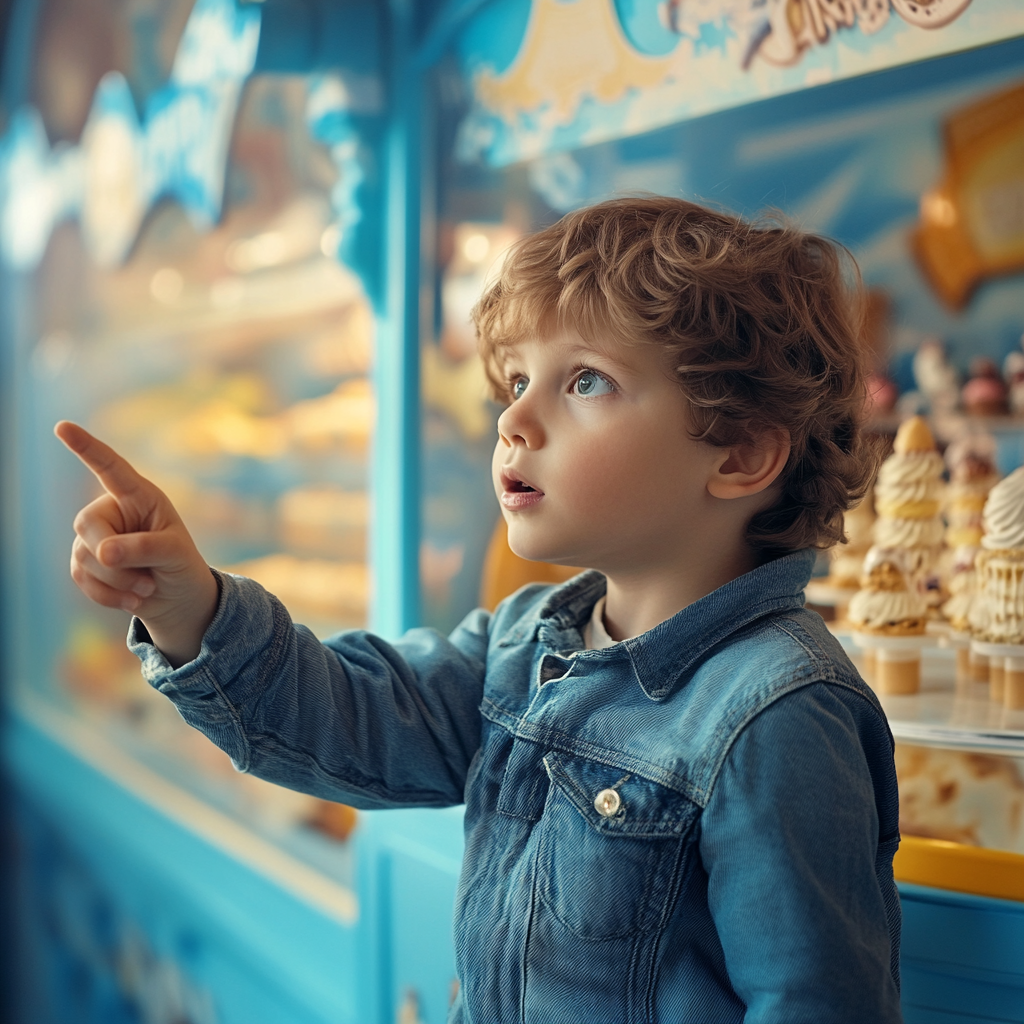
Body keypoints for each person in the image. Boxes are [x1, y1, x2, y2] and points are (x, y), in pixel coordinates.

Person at [57, 197, 902, 1024]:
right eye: (518, 379)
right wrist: (190, 606)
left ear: (743, 452)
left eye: (586, 381)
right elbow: (341, 717)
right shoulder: (525, 644)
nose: (515, 419)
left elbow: (815, 1002)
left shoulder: (779, 714)